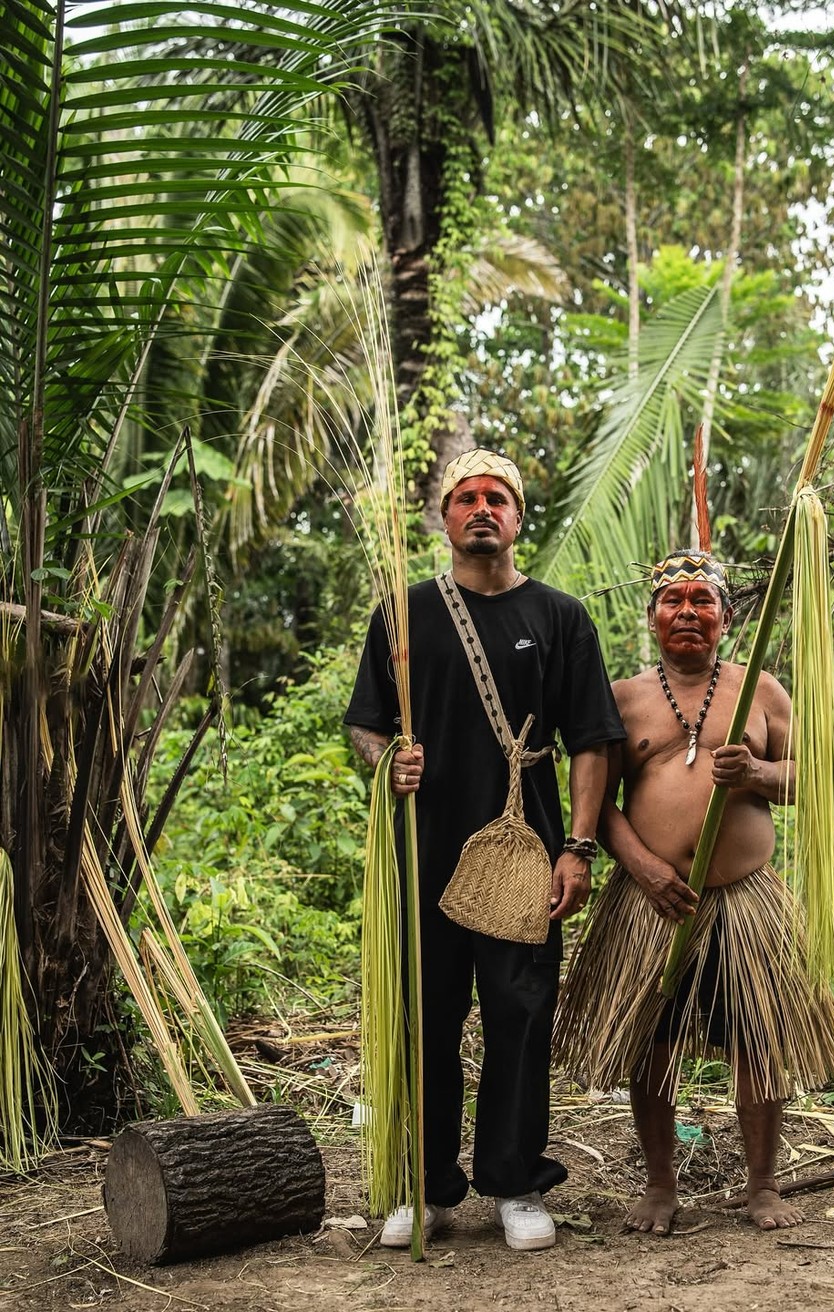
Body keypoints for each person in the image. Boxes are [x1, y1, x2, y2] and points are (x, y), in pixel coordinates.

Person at [345, 448, 625, 1252]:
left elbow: (593, 740)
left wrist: (577, 847)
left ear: (517, 517)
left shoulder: (561, 617)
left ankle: (513, 1181)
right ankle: (426, 1186)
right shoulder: (404, 614)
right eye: (465, 497)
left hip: (524, 853)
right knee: (425, 1019)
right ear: (444, 518)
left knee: (520, 1015)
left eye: (496, 498)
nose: (481, 509)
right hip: (424, 854)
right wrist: (386, 762)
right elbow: (365, 724)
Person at [554, 550, 834, 1234]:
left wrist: (758, 774)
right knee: (651, 1042)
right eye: (673, 600)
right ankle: (661, 1185)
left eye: (702, 600)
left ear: (727, 616)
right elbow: (596, 799)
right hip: (652, 902)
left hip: (746, 900)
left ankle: (763, 1185)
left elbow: (811, 778)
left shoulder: (761, 691)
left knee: (758, 1041)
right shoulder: (624, 698)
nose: (687, 611)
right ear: (652, 616)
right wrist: (641, 866)